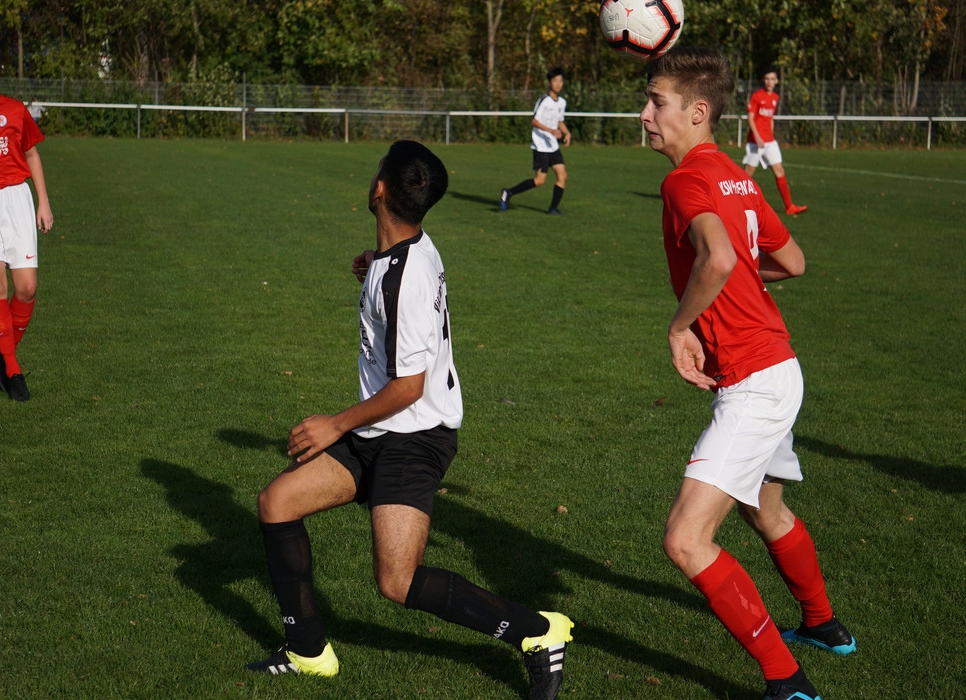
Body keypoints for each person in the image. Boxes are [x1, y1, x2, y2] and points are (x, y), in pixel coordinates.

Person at [246, 140, 573, 699]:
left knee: (397, 582)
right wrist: (371, 268)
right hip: (380, 430)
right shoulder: (407, 249)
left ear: (379, 190)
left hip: (414, 437)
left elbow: (408, 387)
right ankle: (308, 651)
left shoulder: (403, 280)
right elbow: (397, 286)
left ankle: (538, 632)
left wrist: (335, 424)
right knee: (277, 503)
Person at [639, 48, 855, 700]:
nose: (645, 114)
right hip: (778, 368)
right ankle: (823, 625)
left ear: (697, 112)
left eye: (657, 102)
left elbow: (719, 257)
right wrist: (734, 286)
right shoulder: (735, 174)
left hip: (756, 382)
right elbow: (791, 262)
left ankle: (788, 683)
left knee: (686, 540)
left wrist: (680, 327)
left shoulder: (685, 181)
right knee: (766, 510)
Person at [0, 41, 53, 402]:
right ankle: (14, 372)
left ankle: (3, 352)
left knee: (27, 288)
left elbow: (31, 154)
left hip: (17, 198)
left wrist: (43, 203)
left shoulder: (15, 110)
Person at [500, 67, 571, 216]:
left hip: (553, 146)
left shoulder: (562, 102)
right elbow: (534, 121)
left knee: (562, 175)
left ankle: (553, 209)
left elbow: (559, 121)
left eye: (560, 81)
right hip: (541, 146)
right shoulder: (544, 100)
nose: (558, 84)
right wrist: (551, 131)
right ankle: (508, 192)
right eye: (555, 81)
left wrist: (566, 132)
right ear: (549, 83)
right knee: (539, 181)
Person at [742, 67, 806, 215]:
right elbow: (751, 118)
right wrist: (757, 136)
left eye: (772, 79)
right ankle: (734, 203)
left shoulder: (775, 97)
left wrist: (771, 135)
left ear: (776, 81)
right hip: (755, 142)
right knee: (747, 174)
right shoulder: (757, 96)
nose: (769, 82)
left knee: (779, 170)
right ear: (763, 80)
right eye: (766, 79)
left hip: (770, 141)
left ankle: (789, 207)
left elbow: (770, 118)